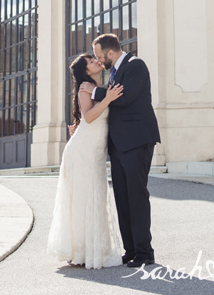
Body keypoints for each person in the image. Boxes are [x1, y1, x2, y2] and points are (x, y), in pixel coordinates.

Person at [80, 34, 160, 268]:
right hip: (118, 145)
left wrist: (94, 92)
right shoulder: (114, 72)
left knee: (136, 196)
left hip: (137, 141)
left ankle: (145, 252)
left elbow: (123, 98)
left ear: (110, 53)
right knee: (123, 199)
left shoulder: (136, 65)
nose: (98, 60)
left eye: (98, 55)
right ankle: (132, 250)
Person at [47, 53, 124, 269]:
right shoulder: (85, 87)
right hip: (83, 152)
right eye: (91, 61)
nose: (97, 61)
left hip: (94, 150)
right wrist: (108, 99)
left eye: (95, 58)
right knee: (84, 198)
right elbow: (89, 116)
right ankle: (81, 250)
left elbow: (86, 119)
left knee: (95, 196)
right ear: (86, 70)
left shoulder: (97, 86)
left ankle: (92, 248)